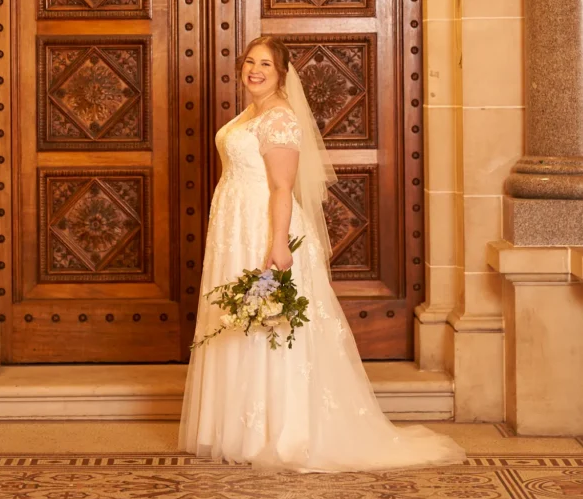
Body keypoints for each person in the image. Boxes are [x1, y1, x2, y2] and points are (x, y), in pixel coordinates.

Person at [178, 35, 465, 473]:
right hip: (234, 225)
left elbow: (281, 187)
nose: (254, 70)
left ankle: (277, 431)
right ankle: (234, 426)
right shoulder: (250, 114)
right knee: (238, 321)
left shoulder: (279, 119)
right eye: (250, 62)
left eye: (266, 65)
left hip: (263, 226)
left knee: (268, 323)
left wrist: (276, 243)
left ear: (282, 74)